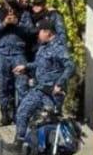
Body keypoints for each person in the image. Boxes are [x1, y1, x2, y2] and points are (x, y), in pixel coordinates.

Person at [11, 19, 76, 147]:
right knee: (23, 111)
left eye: (40, 32)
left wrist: (60, 84)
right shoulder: (44, 46)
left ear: (48, 32)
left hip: (52, 92)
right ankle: (19, 143)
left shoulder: (59, 47)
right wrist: (26, 67)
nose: (38, 35)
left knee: (48, 122)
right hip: (39, 89)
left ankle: (49, 153)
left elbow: (70, 66)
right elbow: (40, 64)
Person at [0, 0, 33, 126]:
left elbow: (30, 31)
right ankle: (6, 114)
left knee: (22, 86)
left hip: (18, 53)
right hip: (2, 54)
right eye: (9, 2)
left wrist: (17, 22)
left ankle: (21, 115)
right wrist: (4, 23)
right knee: (4, 87)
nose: (11, 5)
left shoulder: (23, 14)